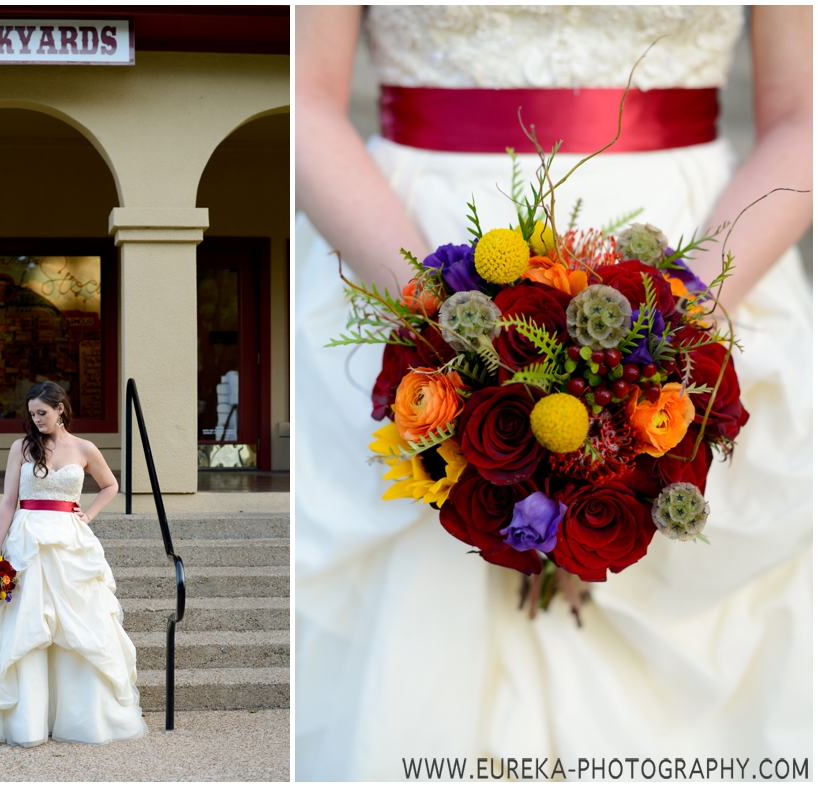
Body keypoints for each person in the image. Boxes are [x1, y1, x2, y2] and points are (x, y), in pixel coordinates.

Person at [295, 6, 811, 780]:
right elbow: (303, 97)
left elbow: (804, 111)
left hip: (702, 250)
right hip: (405, 243)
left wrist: (685, 326)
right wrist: (441, 331)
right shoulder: (428, 303)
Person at [0, 380, 148, 746]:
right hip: (26, 538)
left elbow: (110, 484)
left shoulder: (84, 448)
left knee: (76, 625)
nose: (36, 420)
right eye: (32, 414)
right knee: (24, 625)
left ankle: (78, 718)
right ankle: (25, 721)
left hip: (69, 541)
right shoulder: (21, 447)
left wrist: (89, 515)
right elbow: (7, 501)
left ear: (60, 408)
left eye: (42, 413)